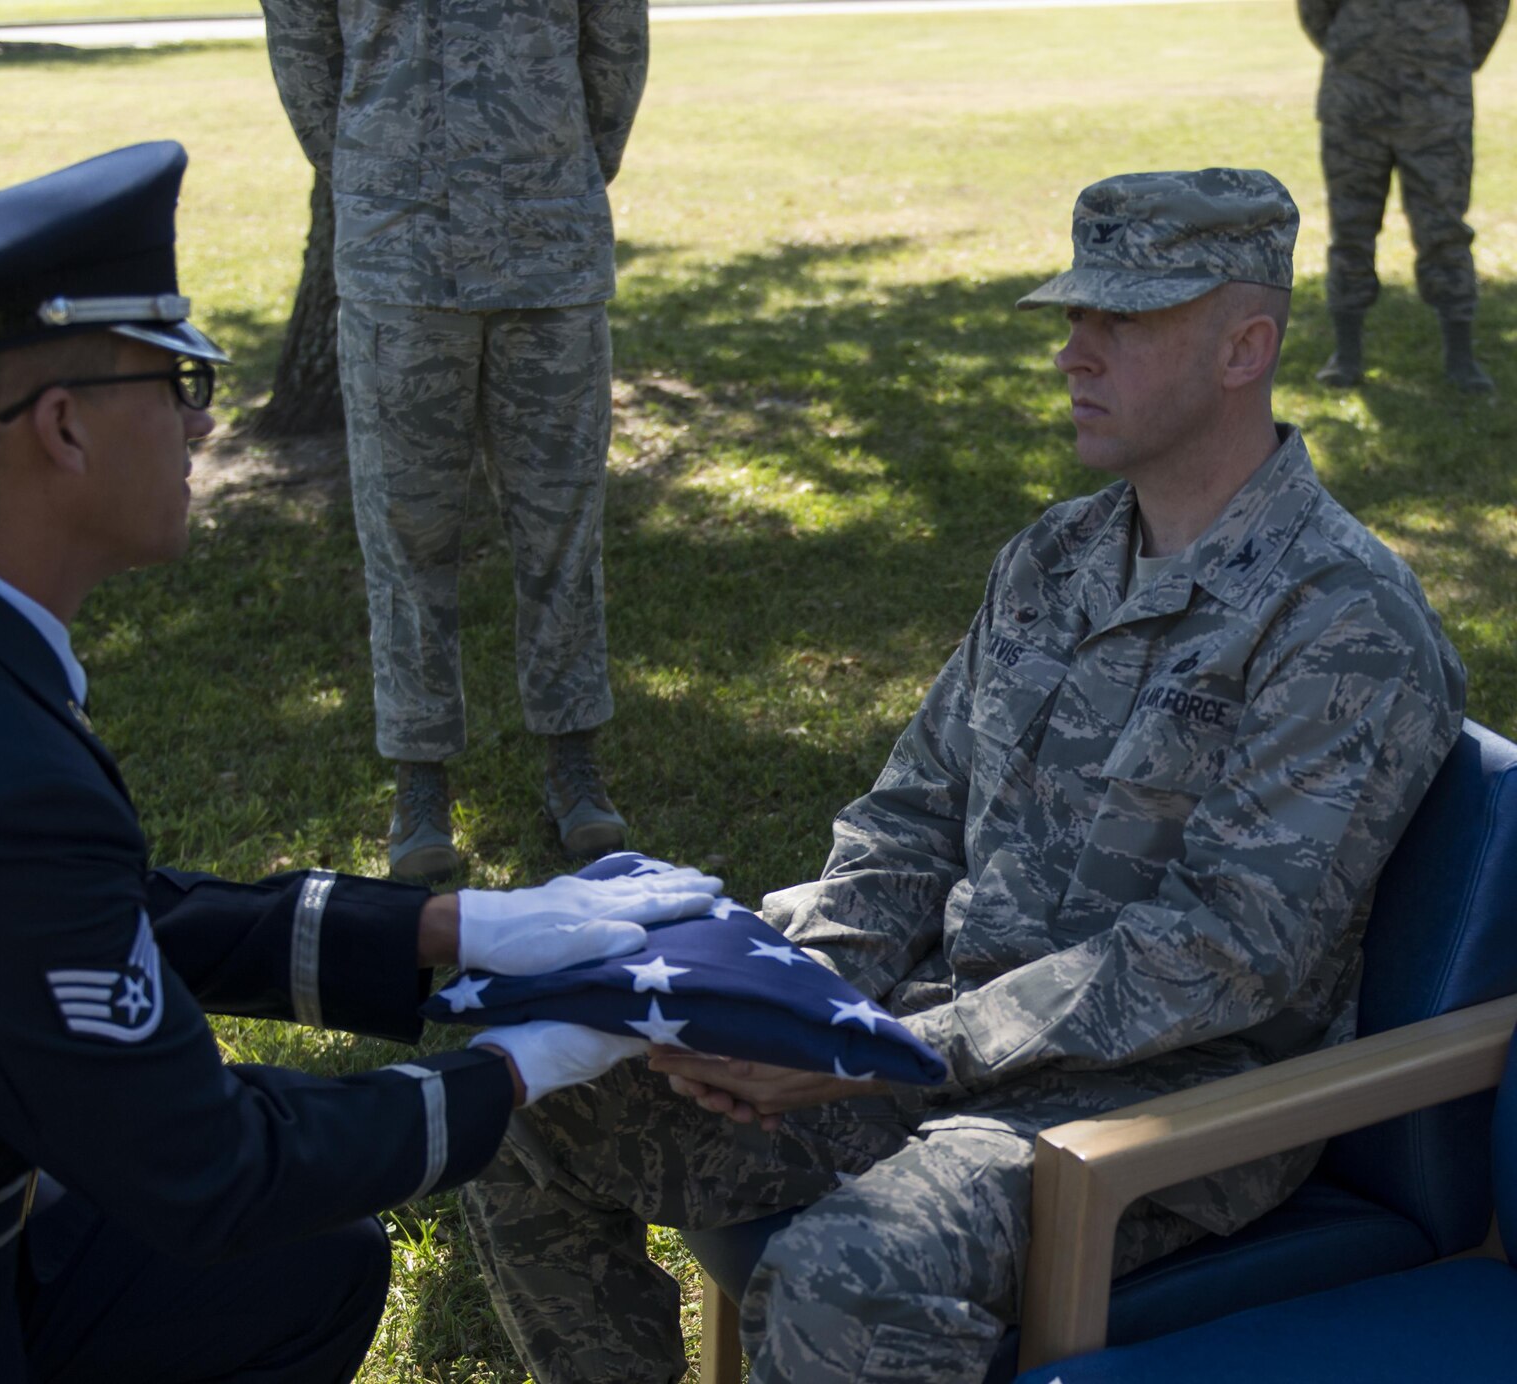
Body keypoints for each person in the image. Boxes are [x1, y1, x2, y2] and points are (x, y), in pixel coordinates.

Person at [0, 141, 713, 1384]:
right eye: (181, 379)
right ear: (65, 429)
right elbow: (209, 1172)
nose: (203, 420)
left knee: (305, 1269)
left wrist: (457, 928)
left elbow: (62, 924)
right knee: (264, 1239)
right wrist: (519, 1065)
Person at [461, 168, 1468, 1384]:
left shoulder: (1339, 620)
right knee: (517, 1101)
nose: (1072, 354)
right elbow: (909, 817)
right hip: (929, 1038)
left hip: (1148, 1111)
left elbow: (1223, 957)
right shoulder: (1053, 555)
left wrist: (887, 1045)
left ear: (1241, 348)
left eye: (1123, 321)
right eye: (1070, 318)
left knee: (848, 1279)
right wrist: (801, 998)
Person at [260, 0, 650, 881]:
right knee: (406, 535)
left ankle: (573, 761)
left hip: (547, 248)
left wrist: (555, 164)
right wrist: (375, 165)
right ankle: (419, 780)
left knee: (561, 526)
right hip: (401, 257)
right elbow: (302, 45)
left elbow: (615, 45)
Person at [1298, 0, 1507, 392]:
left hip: (1437, 105)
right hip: (1354, 101)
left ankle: (1461, 358)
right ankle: (1346, 355)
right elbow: (1314, 10)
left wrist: (1450, 56)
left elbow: (1490, 9)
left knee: (1445, 231)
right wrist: (1357, 51)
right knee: (1350, 228)